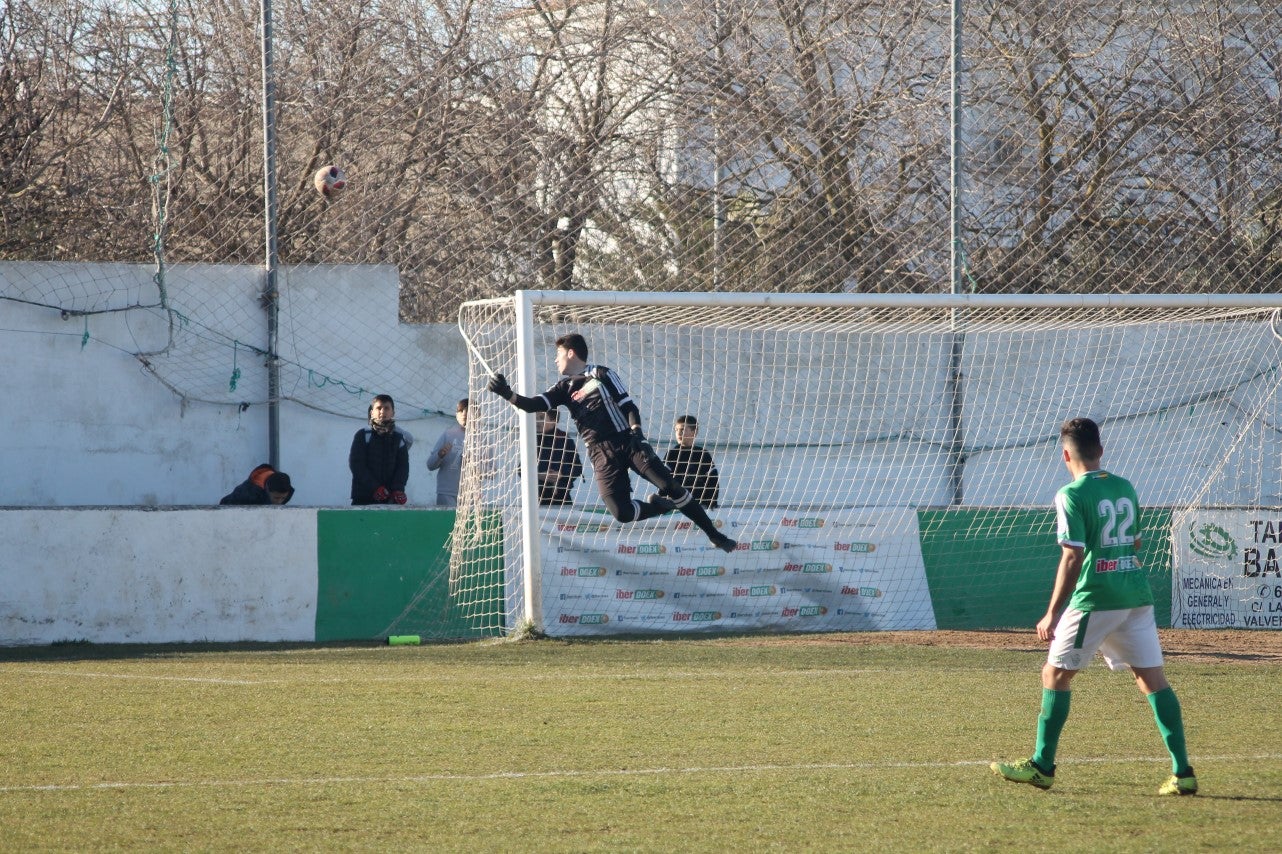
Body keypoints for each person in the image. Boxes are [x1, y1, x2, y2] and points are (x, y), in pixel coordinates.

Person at [991, 417, 1196, 796]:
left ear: (1064, 454)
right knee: (1153, 681)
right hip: (1135, 596)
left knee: (1055, 676)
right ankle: (1183, 772)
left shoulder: (1070, 494)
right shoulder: (1125, 486)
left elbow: (1073, 556)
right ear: (1100, 451)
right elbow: (1134, 544)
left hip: (1095, 598)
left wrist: (1052, 612)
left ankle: (1042, 766)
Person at [486, 332, 737, 552]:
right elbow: (533, 405)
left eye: (558, 354)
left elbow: (628, 405)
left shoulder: (601, 373)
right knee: (622, 513)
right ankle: (660, 507)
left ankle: (714, 534)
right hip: (600, 454)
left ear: (571, 353)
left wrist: (638, 434)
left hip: (628, 442)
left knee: (670, 484)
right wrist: (507, 393)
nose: (555, 359)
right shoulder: (563, 387)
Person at [349, 394, 411, 506]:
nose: (382, 412)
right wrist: (375, 488)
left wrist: (398, 489)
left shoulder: (398, 439)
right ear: (372, 413)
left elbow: (403, 467)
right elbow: (357, 465)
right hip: (363, 499)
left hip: (390, 500)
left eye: (387, 408)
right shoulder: (363, 435)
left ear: (393, 413)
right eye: (378, 408)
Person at [663, 414, 720, 509]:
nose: (678, 433)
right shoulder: (672, 454)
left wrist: (711, 502)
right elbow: (662, 478)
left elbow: (713, 480)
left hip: (698, 503)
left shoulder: (702, 454)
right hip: (675, 502)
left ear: (694, 432)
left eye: (682, 430)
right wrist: (663, 499)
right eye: (676, 430)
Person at [536, 408, 583, 506]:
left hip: (562, 497)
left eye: (541, 417)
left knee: (565, 519)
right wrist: (539, 475)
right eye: (535, 417)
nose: (537, 421)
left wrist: (561, 474)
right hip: (536, 497)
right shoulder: (532, 441)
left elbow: (577, 468)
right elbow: (521, 470)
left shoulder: (564, 439)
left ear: (554, 420)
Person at [426, 399, 468, 506]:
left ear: (478, 415)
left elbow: (492, 472)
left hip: (471, 495)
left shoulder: (483, 439)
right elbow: (430, 465)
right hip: (446, 492)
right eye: (461, 411)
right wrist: (440, 455)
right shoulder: (448, 435)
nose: (464, 414)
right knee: (447, 522)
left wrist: (474, 464)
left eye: (468, 411)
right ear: (456, 415)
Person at [220, 463, 294, 505]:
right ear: (267, 489)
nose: (279, 502)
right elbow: (224, 505)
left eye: (283, 498)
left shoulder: (286, 489)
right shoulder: (247, 493)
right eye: (276, 498)